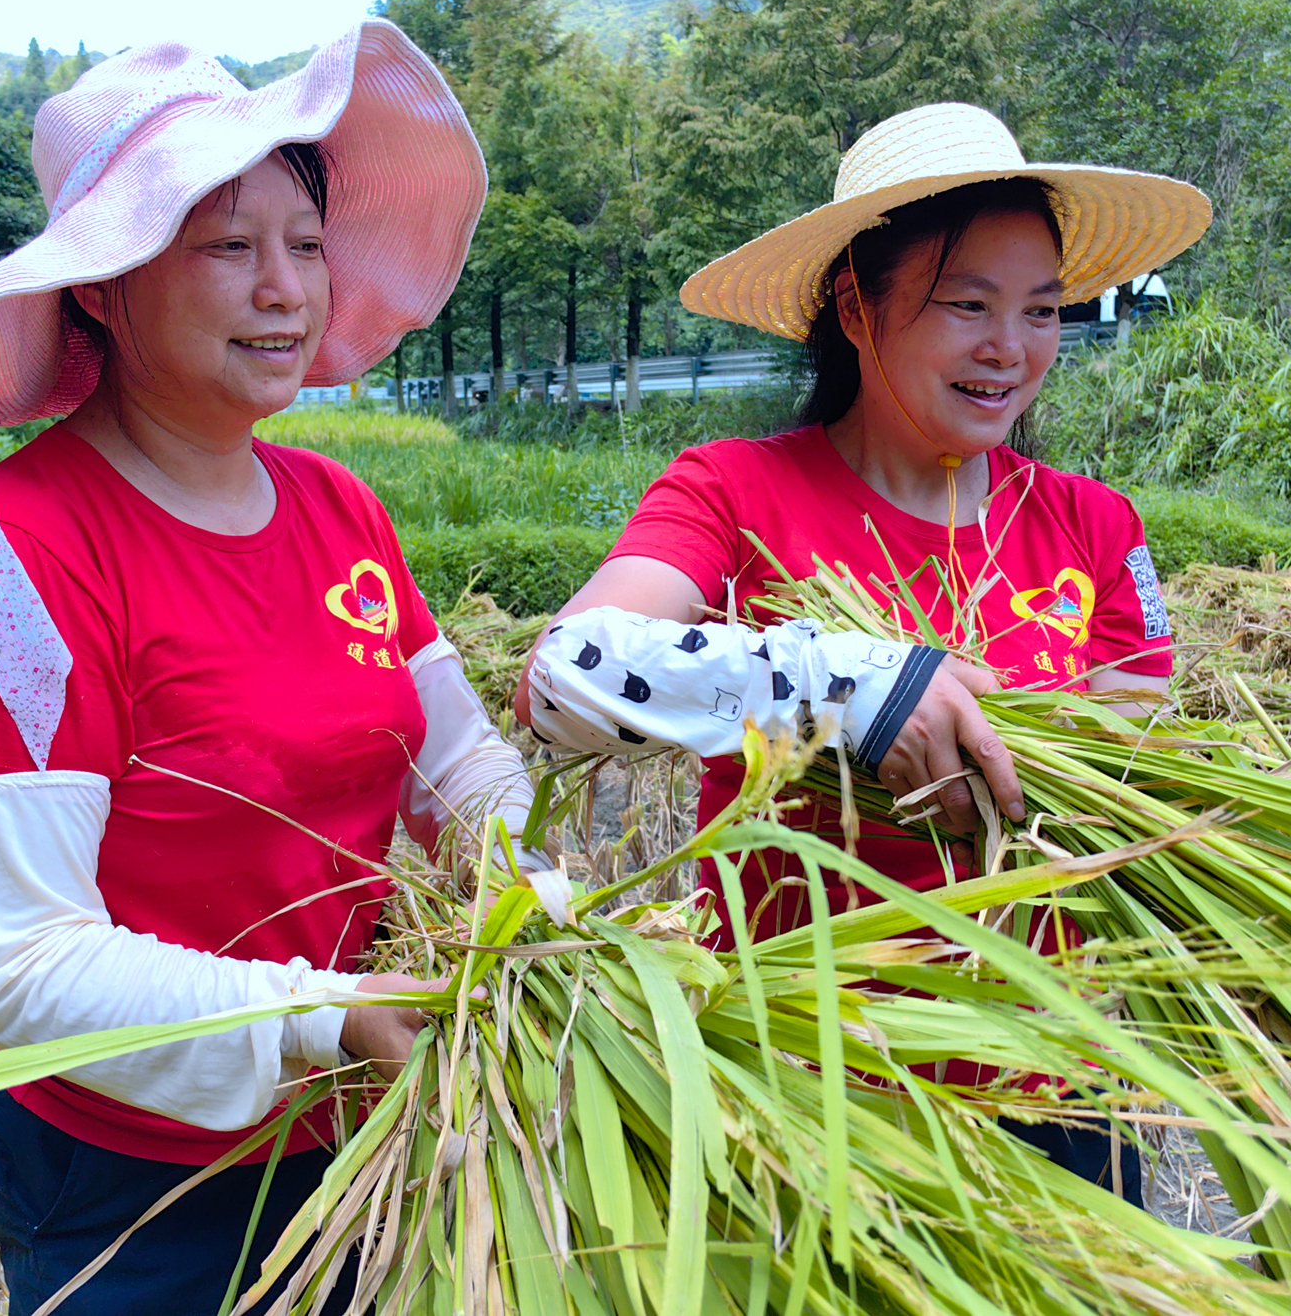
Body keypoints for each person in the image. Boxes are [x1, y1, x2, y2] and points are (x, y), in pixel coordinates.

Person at [0, 23, 539, 1312]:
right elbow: (22, 961)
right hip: (131, 1168)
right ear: (105, 284)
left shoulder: (338, 508)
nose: (288, 289)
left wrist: (528, 898)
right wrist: (320, 1014)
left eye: (304, 245)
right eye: (229, 247)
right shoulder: (11, 563)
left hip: (366, 1109)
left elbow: (453, 761)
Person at [514, 102, 1212, 1198]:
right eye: (966, 306)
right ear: (855, 307)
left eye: (1040, 310)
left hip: (1052, 1081)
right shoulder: (737, 491)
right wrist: (843, 688)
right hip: (807, 1080)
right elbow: (565, 675)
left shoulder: (1094, 526)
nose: (1010, 348)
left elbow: (1134, 771)